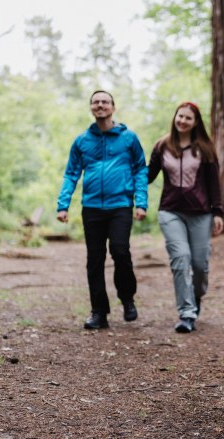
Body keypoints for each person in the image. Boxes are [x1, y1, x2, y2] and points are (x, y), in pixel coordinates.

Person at [56, 90, 148, 330]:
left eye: (104, 102)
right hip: (92, 207)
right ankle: (99, 312)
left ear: (113, 108)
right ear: (91, 108)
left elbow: (140, 169)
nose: (100, 105)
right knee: (94, 259)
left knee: (120, 251)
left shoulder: (129, 138)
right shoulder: (82, 141)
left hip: (120, 206)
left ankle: (127, 298)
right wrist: (63, 205)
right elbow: (71, 174)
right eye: (96, 102)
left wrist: (141, 202)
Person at [148, 102, 224, 333]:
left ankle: (196, 296)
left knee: (200, 265)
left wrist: (218, 212)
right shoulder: (162, 146)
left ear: (195, 122)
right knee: (180, 258)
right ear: (174, 117)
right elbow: (147, 176)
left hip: (201, 214)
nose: (182, 121)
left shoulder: (205, 149)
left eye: (188, 118)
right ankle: (187, 314)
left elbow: (214, 184)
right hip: (170, 211)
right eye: (180, 116)